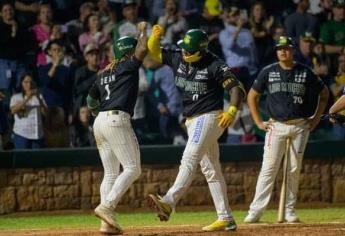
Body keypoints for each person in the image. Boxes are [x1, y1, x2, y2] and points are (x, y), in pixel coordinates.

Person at [146, 26, 245, 232]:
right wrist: (153, 38)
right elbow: (154, 52)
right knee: (211, 170)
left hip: (210, 116)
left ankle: (168, 202)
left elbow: (236, 88)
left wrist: (232, 109)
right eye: (183, 48)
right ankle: (225, 218)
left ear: (200, 50)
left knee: (189, 156)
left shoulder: (215, 64)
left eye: (188, 50)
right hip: (191, 120)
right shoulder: (178, 58)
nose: (184, 52)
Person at [244, 36, 329, 223]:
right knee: (268, 168)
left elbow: (324, 94)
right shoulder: (268, 72)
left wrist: (315, 119)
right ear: (276, 51)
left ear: (293, 50)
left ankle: (290, 210)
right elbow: (251, 96)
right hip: (276, 125)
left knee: (293, 169)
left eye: (287, 48)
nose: (283, 51)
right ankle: (255, 211)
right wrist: (258, 122)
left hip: (300, 126)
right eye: (280, 48)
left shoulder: (306, 72)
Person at [87, 22, 148, 234]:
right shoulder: (127, 65)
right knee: (133, 168)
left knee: (111, 173)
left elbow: (90, 100)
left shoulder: (103, 73)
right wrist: (143, 30)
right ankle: (107, 206)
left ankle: (107, 223)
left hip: (100, 121)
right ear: (128, 52)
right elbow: (143, 49)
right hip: (116, 119)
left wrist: (98, 115)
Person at [10, 74, 47, 149]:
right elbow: (13, 111)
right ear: (21, 83)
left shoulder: (39, 96)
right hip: (22, 134)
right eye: (26, 82)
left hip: (37, 134)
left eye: (31, 82)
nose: (29, 85)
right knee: (22, 159)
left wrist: (39, 99)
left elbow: (45, 113)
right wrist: (27, 98)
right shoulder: (16, 97)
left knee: (36, 159)